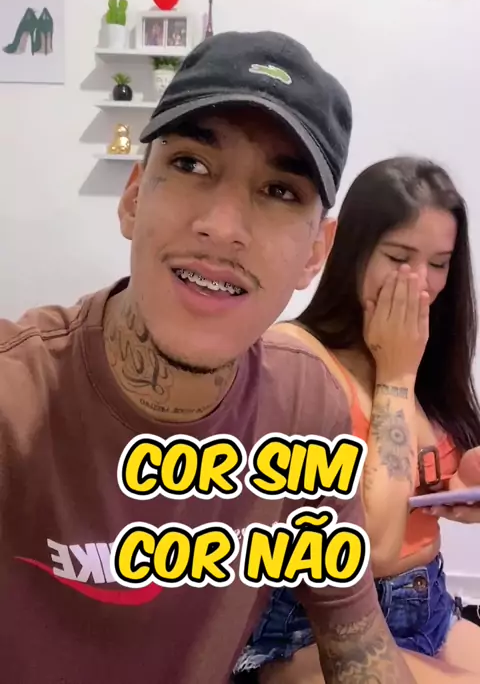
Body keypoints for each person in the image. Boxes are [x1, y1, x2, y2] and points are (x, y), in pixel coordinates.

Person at [0, 33, 416, 684]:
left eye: (280, 191)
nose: (222, 226)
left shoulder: (305, 408)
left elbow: (356, 638)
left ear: (316, 252)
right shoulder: (15, 394)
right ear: (134, 197)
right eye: (192, 164)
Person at [234, 156, 480, 683]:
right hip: (306, 630)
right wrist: (396, 375)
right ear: (350, 249)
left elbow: (429, 482)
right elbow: (369, 549)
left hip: (429, 608)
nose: (422, 284)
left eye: (440, 263)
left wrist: (463, 487)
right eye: (399, 257)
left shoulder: (422, 356)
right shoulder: (293, 358)